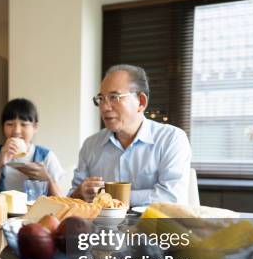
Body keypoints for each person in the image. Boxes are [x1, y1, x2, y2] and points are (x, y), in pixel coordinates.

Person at [70, 64, 191, 206]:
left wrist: (109, 196)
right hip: (102, 227)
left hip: (154, 226)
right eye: (101, 99)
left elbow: (172, 197)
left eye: (114, 97)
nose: (104, 107)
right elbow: (72, 197)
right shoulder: (90, 145)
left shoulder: (171, 139)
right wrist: (79, 194)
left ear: (141, 102)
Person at [0, 98, 65, 195]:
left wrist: (47, 179)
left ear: (35, 127)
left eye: (24, 124)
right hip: (2, 210)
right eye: (10, 124)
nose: (17, 131)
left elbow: (60, 200)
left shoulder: (46, 156)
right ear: (2, 127)